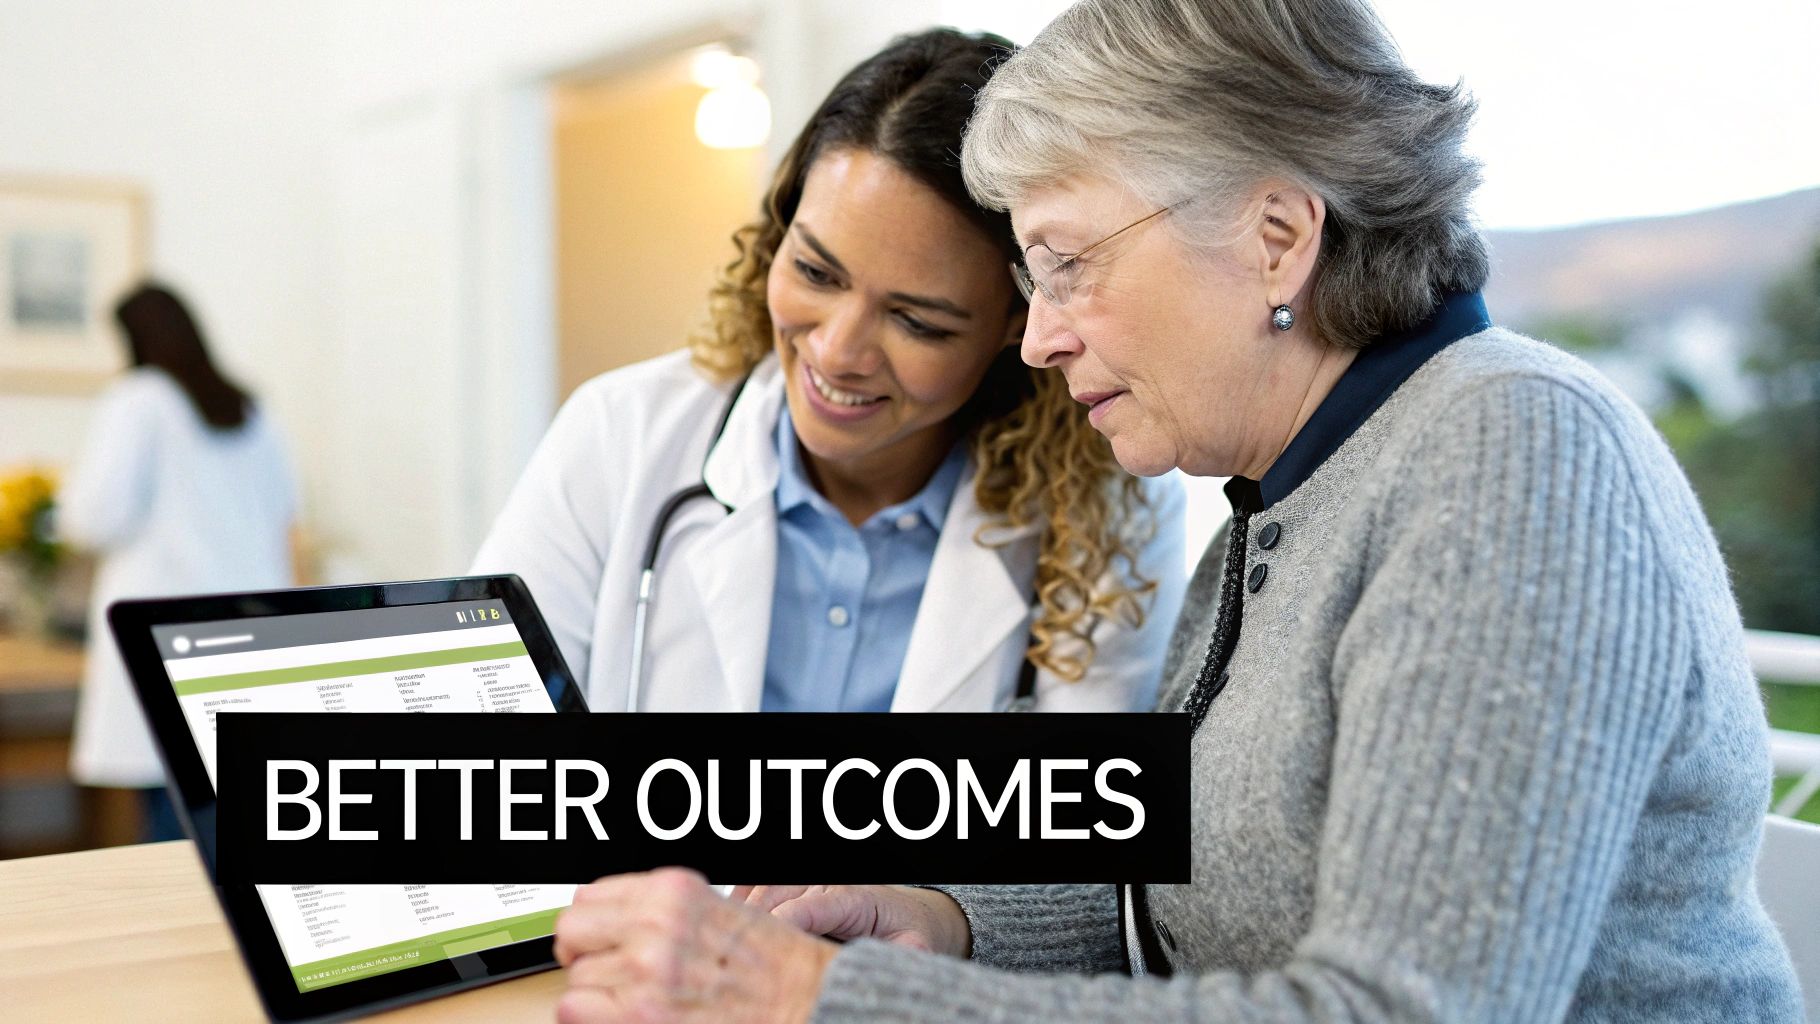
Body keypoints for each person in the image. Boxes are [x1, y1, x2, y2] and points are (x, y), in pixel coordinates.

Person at [544, 1, 1807, 1021]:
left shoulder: (1513, 455)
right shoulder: (1279, 504)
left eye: (1066, 264)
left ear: (1274, 236)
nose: (1035, 339)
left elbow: (1398, 1009)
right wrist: (938, 915)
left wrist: (827, 996)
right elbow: (1159, 882)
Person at [472, 29, 1185, 718]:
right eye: (816, 272)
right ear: (778, 235)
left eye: (917, 321)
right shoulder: (619, 435)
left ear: (1017, 321)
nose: (839, 352)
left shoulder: (1107, 511)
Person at [60, 283, 296, 842]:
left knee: (174, 820)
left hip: (166, 629)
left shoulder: (138, 400)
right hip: (252, 629)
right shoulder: (248, 407)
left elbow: (91, 517)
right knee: (232, 808)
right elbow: (286, 514)